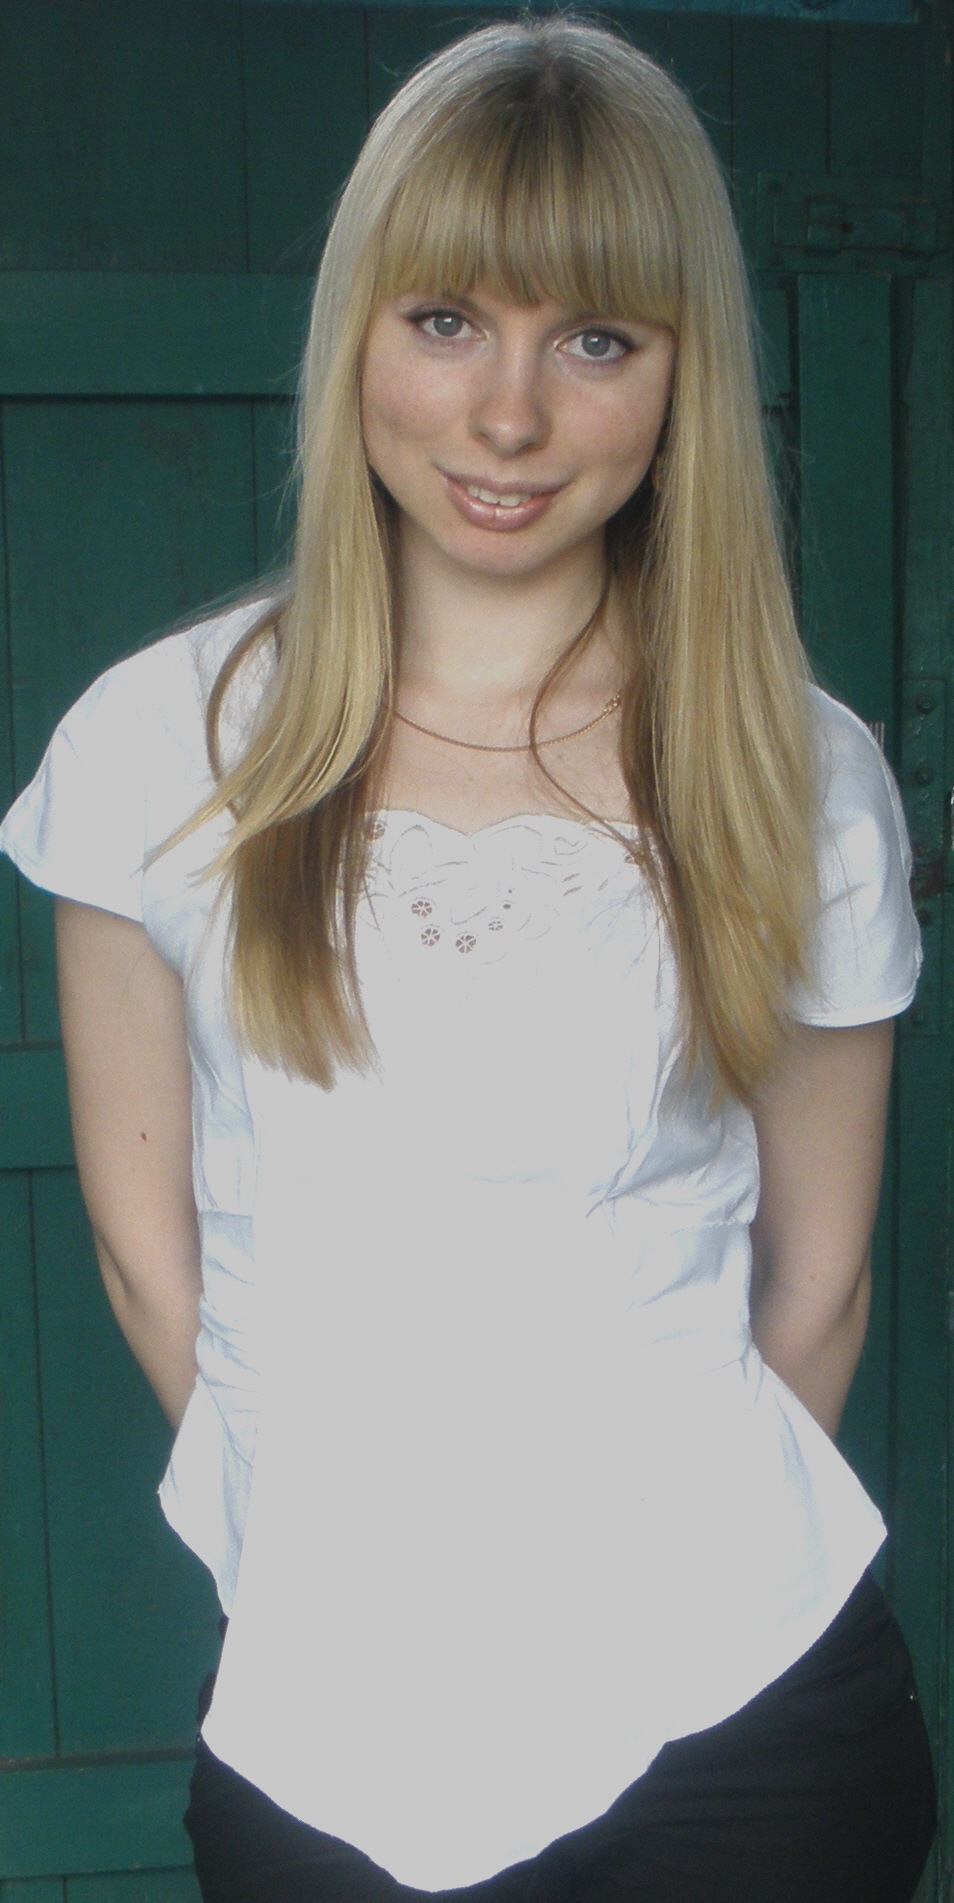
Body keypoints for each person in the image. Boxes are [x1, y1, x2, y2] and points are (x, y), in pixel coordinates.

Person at [0, 16, 937, 1903]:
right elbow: (149, 1252)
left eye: (594, 340)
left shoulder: (792, 765)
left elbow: (818, 1281)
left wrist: (632, 1597)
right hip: (324, 1715)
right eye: (445, 320)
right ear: (355, 330)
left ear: (681, 375)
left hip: (739, 1710)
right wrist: (344, 1577)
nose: (506, 418)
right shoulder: (157, 745)